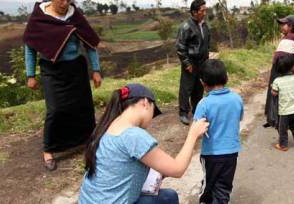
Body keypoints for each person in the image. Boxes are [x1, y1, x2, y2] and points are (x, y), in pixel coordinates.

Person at [79, 84, 209, 204]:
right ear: (146, 103)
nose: (152, 118)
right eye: (154, 111)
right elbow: (178, 169)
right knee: (169, 198)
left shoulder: (107, 128)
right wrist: (193, 135)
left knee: (167, 196)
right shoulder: (133, 135)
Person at [23, 0, 102, 171]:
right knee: (56, 110)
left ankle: (86, 142)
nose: (65, 3)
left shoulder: (75, 16)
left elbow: (90, 44)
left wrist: (96, 70)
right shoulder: (39, 18)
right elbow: (30, 47)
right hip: (52, 70)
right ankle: (49, 150)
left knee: (83, 107)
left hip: (76, 68)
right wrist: (30, 75)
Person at [193, 59, 243, 204]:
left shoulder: (204, 103)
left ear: (202, 82)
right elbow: (238, 118)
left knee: (208, 186)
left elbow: (197, 130)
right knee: (224, 187)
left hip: (212, 154)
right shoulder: (236, 99)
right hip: (232, 153)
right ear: (226, 77)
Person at [264, 15, 294, 129]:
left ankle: (285, 120)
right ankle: (272, 117)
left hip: (284, 67)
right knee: (273, 90)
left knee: (282, 92)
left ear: (291, 26)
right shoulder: (285, 37)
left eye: (283, 24)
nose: (281, 26)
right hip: (276, 67)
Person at [176, 0, 211, 125]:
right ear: (194, 12)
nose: (205, 13)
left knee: (199, 88)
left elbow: (207, 43)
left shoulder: (205, 25)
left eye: (205, 10)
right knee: (186, 88)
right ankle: (183, 112)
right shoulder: (186, 27)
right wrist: (186, 63)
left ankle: (197, 110)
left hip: (202, 62)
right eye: (202, 10)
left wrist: (207, 58)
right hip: (190, 63)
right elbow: (180, 47)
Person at [271, 55, 294, 151]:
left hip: (284, 111)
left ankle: (283, 145)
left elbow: (274, 93)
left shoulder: (277, 81)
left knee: (283, 129)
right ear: (292, 67)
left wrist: (272, 88)